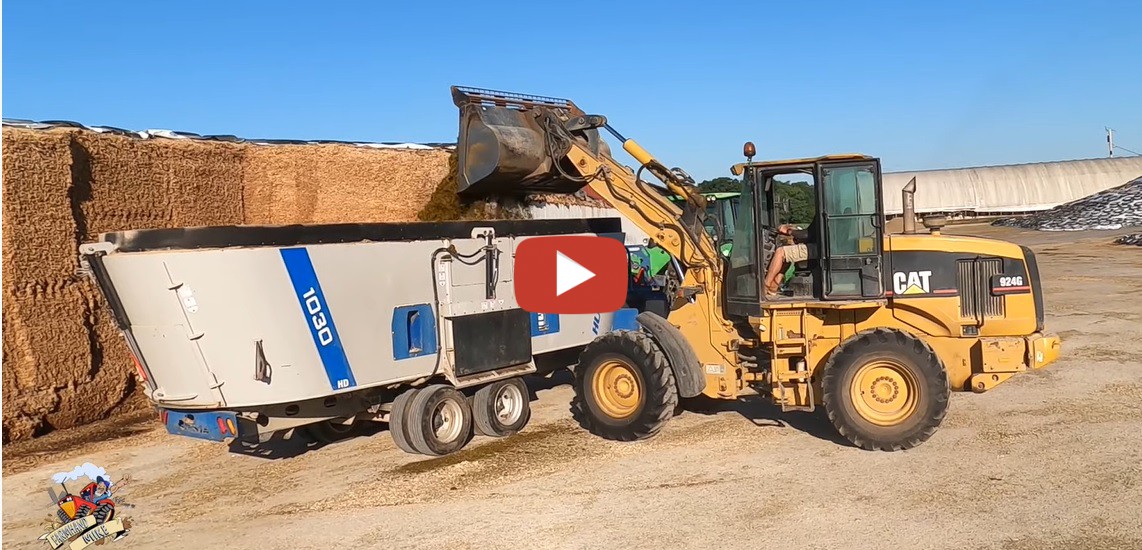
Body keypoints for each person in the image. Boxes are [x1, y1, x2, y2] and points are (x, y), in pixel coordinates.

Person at [764, 220, 817, 296]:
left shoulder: (821, 214)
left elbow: (806, 234)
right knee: (788, 253)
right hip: (818, 249)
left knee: (781, 252)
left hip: (815, 250)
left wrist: (789, 231)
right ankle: (773, 287)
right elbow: (812, 235)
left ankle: (765, 285)